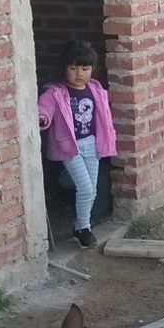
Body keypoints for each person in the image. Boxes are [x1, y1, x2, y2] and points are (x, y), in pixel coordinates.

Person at [38, 40, 118, 248]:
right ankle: (83, 228)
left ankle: (80, 225)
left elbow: (103, 115)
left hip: (92, 145)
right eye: (73, 68)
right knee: (85, 188)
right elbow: (45, 108)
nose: (79, 74)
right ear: (64, 68)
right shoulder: (56, 93)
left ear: (92, 69)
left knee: (92, 190)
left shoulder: (95, 89)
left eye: (85, 68)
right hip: (69, 147)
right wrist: (42, 117)